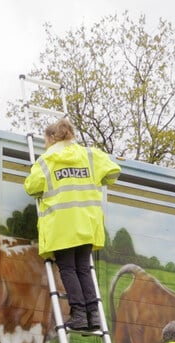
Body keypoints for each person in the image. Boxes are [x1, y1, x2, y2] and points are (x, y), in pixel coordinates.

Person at [23, 118, 121, 331]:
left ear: (51, 138)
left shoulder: (46, 160)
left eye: (45, 140)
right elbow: (113, 172)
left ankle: (78, 313)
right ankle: (93, 315)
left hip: (61, 226)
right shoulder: (90, 155)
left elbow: (31, 187)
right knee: (83, 269)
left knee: (68, 269)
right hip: (87, 223)